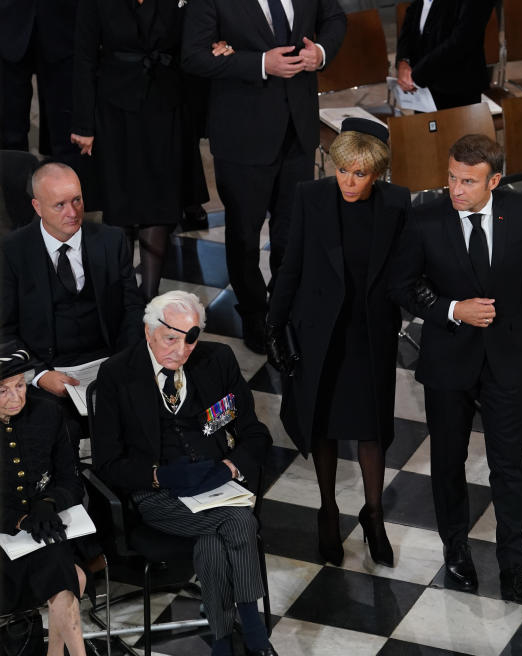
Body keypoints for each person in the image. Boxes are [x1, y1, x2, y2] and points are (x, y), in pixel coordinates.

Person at [390, 134, 522, 605]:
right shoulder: (425, 218)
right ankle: (455, 550)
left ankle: (514, 565)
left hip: (508, 358)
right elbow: (402, 285)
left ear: (495, 180)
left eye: (468, 181)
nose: (456, 189)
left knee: (508, 466)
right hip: (448, 361)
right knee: (447, 462)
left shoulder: (521, 214)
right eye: (451, 178)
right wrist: (453, 309)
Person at [92, 291, 275, 656]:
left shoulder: (217, 361)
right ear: (148, 332)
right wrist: (162, 476)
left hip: (215, 486)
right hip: (156, 494)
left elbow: (256, 433)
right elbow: (107, 465)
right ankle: (254, 634)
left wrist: (229, 466)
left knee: (215, 537)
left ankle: (222, 642)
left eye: (189, 339)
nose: (180, 350)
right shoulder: (117, 374)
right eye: (170, 338)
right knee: (240, 523)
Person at [266, 119, 410, 568]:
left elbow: (406, 273)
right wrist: (274, 326)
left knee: (371, 431)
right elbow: (290, 266)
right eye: (343, 170)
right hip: (319, 334)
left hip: (370, 336)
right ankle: (327, 511)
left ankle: (373, 515)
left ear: (378, 174)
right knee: (323, 427)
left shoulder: (396, 204)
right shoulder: (311, 198)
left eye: (360, 174)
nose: (348, 181)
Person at [181, 0, 346, 353]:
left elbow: (333, 17)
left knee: (292, 231)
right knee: (244, 234)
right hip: (243, 135)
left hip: (298, 129)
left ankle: (283, 309)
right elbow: (193, 55)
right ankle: (255, 314)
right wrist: (259, 63)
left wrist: (320, 50)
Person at [70, 0, 210, 300]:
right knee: (119, 205)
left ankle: (149, 297)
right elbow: (83, 57)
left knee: (158, 204)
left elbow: (198, 34)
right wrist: (83, 124)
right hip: (113, 111)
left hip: (167, 107)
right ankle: (120, 297)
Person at [0, 162, 144, 442]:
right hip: (48, 366)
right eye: (60, 205)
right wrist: (40, 375)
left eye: (77, 200)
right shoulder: (12, 251)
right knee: (57, 433)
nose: (72, 212)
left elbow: (132, 309)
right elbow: (4, 329)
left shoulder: (111, 240)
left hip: (109, 358)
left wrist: (122, 363)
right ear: (37, 207)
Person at [0, 346, 95, 656]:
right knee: (70, 575)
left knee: (64, 569)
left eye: (19, 385)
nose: (15, 397)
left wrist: (49, 502)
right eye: (2, 390)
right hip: (5, 540)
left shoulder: (46, 412)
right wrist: (19, 520)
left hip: (44, 529)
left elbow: (70, 477)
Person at [0, 0, 78, 156]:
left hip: (65, 25)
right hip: (8, 22)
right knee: (9, 131)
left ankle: (61, 178)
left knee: (65, 130)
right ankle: (13, 178)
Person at [395, 0, 493, 110]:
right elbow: (411, 20)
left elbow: (462, 42)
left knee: (458, 127)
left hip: (458, 88)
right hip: (423, 88)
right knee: (424, 126)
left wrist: (417, 75)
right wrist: (403, 60)